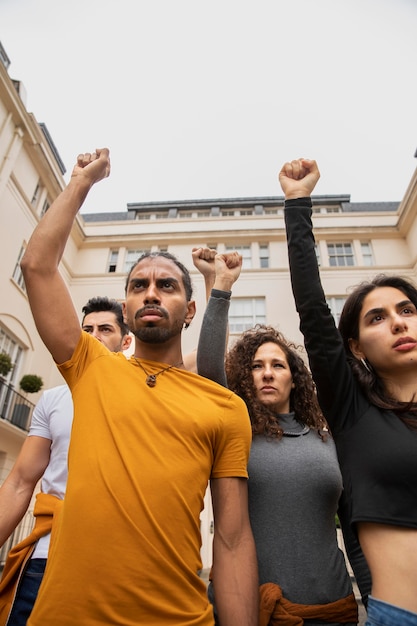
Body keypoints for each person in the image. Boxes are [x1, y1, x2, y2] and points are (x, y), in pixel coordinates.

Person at [20, 148, 258, 626]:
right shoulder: (89, 367)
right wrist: (81, 185)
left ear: (190, 312)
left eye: (167, 286)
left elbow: (232, 541)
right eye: (139, 285)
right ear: (127, 312)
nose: (151, 292)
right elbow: (37, 268)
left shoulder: (225, 408)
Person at [280, 157, 417, 626]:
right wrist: (298, 205)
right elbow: (313, 309)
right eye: (377, 317)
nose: (398, 321)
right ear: (354, 345)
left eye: (407, 309)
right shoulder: (353, 408)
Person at [197, 253, 359, 625]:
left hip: (335, 610)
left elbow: (354, 527)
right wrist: (221, 288)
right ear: (244, 376)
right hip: (251, 612)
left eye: (277, 365)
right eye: (256, 366)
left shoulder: (327, 437)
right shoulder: (237, 432)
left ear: (294, 378)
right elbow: (208, 369)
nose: (267, 373)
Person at [0, 296, 132, 626]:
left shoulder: (147, 391)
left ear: (126, 341)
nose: (93, 336)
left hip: (120, 564)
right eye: (86, 329)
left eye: (105, 329)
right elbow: (19, 482)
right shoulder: (53, 399)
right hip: (46, 559)